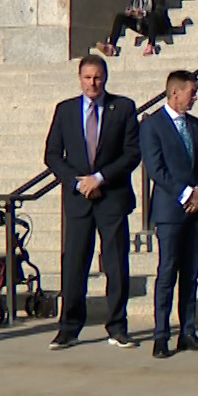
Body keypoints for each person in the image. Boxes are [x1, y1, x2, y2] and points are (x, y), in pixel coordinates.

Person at [44, 55, 141, 350]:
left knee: (115, 263)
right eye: (87, 77)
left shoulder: (123, 108)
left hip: (111, 197)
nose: (92, 83)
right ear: (79, 78)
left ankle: (117, 326)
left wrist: (99, 178)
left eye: (97, 77)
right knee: (74, 264)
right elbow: (52, 155)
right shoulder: (65, 110)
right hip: (78, 201)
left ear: (105, 77)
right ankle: (69, 327)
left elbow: (132, 153)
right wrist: (78, 182)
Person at [139, 71, 198, 359]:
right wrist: (185, 193)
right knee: (167, 272)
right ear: (175, 93)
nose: (195, 96)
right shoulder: (153, 125)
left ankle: (188, 331)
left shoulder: (196, 126)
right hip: (171, 210)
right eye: (191, 92)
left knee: (191, 275)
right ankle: (161, 335)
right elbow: (156, 169)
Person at [101, 0, 172, 56]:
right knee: (120, 17)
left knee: (152, 15)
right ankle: (111, 45)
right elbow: (132, 6)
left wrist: (144, 13)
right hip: (143, 25)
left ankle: (151, 45)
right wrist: (130, 12)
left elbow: (159, 12)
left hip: (158, 26)